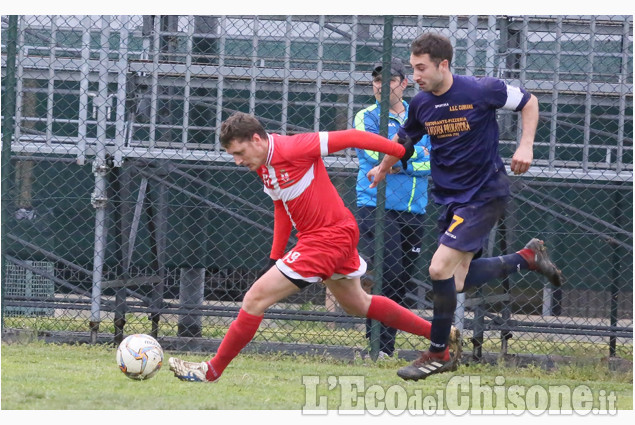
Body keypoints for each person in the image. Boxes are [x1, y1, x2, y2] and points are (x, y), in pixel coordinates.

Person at [168, 112, 460, 383]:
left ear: (256, 139)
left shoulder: (295, 147)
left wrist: (400, 152)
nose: (237, 161)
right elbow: (281, 206)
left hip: (328, 237)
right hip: (326, 236)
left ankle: (211, 371)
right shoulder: (263, 165)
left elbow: (351, 136)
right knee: (358, 304)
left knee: (254, 299)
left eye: (239, 153)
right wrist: (275, 256)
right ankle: (441, 336)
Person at [368, 32, 563, 381]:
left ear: (443, 64)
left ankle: (439, 352)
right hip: (449, 197)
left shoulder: (481, 89)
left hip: (485, 193)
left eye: (421, 68)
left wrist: (526, 146)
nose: (416, 77)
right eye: (413, 69)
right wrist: (383, 166)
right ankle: (526, 258)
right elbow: (405, 138)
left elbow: (529, 102)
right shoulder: (422, 103)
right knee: (455, 281)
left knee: (438, 269)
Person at [354, 57, 432, 358]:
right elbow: (374, 154)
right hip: (376, 205)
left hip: (414, 208)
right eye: (376, 81)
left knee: (401, 279)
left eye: (387, 81)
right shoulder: (365, 117)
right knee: (390, 271)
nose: (380, 87)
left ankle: (384, 347)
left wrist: (399, 161)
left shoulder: (424, 116)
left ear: (404, 83)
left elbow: (433, 159)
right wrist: (410, 157)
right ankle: (377, 348)